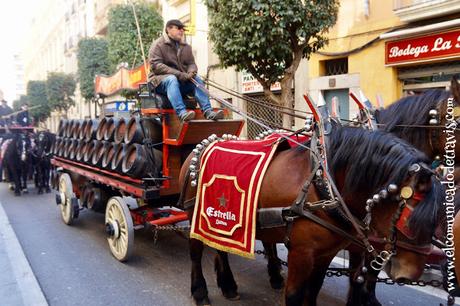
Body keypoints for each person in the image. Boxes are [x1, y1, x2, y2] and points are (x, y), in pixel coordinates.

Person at [148, 19, 224, 122]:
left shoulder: (186, 46)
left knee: (197, 79)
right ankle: (182, 113)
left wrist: (191, 72)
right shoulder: (158, 45)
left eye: (183, 29)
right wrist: (180, 74)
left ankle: (208, 111)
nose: (181, 31)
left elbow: (191, 63)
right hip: (159, 82)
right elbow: (156, 66)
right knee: (172, 79)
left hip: (180, 81)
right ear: (168, 29)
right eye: (179, 28)